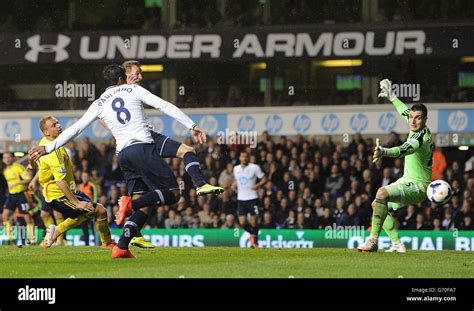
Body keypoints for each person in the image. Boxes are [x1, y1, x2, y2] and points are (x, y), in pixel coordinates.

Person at [29, 64, 222, 258]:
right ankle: (130, 205)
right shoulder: (134, 89)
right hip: (142, 148)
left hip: (123, 156)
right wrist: (192, 125)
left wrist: (47, 147)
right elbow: (164, 105)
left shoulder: (98, 102)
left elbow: (76, 128)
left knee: (143, 201)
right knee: (172, 193)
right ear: (123, 79)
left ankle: (121, 246)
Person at [358, 79, 434, 253]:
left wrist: (384, 152)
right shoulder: (416, 125)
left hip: (418, 186)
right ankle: (397, 245)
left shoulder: (420, 139)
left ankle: (373, 241)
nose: (413, 121)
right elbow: (404, 111)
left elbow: (403, 150)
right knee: (377, 204)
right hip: (408, 180)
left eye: (418, 118)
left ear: (425, 119)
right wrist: (392, 96)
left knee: (381, 193)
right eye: (412, 117)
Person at [31, 115, 115, 249]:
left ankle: (107, 242)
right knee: (90, 210)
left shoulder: (48, 143)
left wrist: (33, 164)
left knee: (100, 210)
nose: (58, 125)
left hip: (70, 190)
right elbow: (60, 181)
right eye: (54, 125)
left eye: (57, 122)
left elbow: (37, 160)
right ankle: (57, 231)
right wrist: (76, 202)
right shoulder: (54, 152)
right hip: (58, 195)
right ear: (46, 132)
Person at [232, 151, 267, 248]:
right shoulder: (236, 169)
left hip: (252, 198)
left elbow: (264, 179)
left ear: (249, 158)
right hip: (241, 199)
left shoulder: (254, 168)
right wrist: (234, 185)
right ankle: (253, 234)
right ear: (240, 158)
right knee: (242, 222)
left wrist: (257, 185)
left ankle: (255, 242)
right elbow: (237, 180)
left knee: (254, 221)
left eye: (246, 156)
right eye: (242, 156)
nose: (244, 158)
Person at [2, 152, 36, 245]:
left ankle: (32, 239)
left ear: (13, 158)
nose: (7, 159)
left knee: (27, 217)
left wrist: (17, 183)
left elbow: (28, 178)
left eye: (9, 157)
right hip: (11, 195)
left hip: (21, 194)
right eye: (5, 158)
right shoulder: (5, 171)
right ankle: (10, 238)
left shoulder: (18, 167)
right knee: (5, 216)